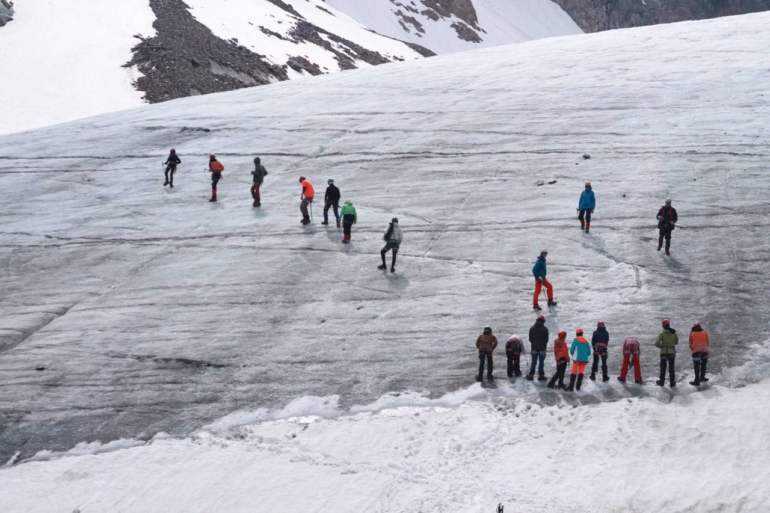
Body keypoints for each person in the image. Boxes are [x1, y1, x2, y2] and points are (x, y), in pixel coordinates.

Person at [654, 319, 679, 387]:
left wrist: (662, 346)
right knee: (671, 367)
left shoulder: (662, 333)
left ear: (663, 326)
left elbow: (656, 343)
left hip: (664, 352)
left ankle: (661, 382)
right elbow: (676, 342)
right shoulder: (674, 332)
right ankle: (672, 382)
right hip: (672, 352)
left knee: (663, 367)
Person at [526, 314, 549, 381]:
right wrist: (544, 346)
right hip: (542, 348)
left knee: (533, 361)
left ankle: (531, 375)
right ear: (543, 321)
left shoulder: (532, 328)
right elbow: (546, 339)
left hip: (534, 347)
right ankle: (541, 375)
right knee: (541, 362)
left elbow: (530, 339)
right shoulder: (545, 329)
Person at [689, 321, 710, 386]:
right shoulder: (704, 332)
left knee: (696, 366)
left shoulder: (692, 333)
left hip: (696, 352)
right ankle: (702, 377)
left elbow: (690, 343)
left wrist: (693, 350)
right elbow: (708, 342)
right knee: (703, 365)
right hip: (705, 351)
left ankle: (697, 381)